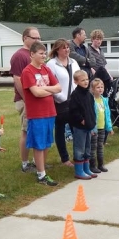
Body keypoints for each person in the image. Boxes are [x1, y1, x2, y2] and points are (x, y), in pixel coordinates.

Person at [21, 41, 61, 186]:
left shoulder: (45, 69)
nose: (44, 56)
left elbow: (59, 88)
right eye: (41, 53)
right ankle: (41, 175)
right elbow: (36, 93)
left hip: (50, 111)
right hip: (37, 114)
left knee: (46, 143)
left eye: (45, 53)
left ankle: (42, 168)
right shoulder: (27, 71)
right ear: (32, 54)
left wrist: (46, 89)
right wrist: (49, 89)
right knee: (38, 144)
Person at [10, 27, 41, 173]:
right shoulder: (19, 56)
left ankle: (37, 162)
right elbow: (17, 79)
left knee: (36, 131)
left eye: (39, 38)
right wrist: (27, 99)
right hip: (25, 100)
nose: (37, 41)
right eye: (34, 38)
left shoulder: (35, 55)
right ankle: (25, 163)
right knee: (26, 131)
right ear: (25, 38)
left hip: (37, 98)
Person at [46, 39, 80, 167]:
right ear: (57, 50)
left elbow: (79, 78)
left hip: (74, 101)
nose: (67, 50)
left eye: (68, 47)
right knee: (60, 130)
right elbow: (50, 84)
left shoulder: (73, 62)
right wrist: (60, 97)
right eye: (63, 47)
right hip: (60, 102)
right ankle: (64, 158)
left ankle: (78, 155)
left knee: (76, 129)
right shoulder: (51, 64)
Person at [68, 70, 97, 180]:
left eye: (86, 79)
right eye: (82, 80)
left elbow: (92, 109)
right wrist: (81, 120)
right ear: (76, 82)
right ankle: (79, 171)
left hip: (89, 126)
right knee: (79, 148)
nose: (85, 82)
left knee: (87, 148)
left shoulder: (89, 94)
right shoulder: (75, 95)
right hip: (80, 127)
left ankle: (86, 168)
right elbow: (73, 111)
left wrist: (92, 122)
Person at [89, 78, 114, 173]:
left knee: (100, 146)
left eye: (101, 87)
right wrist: (91, 128)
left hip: (102, 128)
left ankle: (100, 164)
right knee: (93, 147)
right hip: (94, 128)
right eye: (97, 87)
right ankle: (92, 165)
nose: (100, 89)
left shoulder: (104, 100)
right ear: (92, 89)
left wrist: (109, 127)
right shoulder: (91, 100)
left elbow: (107, 115)